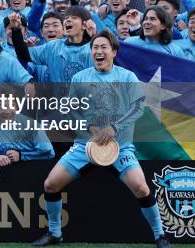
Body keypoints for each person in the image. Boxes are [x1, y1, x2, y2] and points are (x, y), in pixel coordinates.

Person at [33, 30, 170, 248]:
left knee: (141, 188)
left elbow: (138, 108)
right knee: (50, 184)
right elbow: (71, 110)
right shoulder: (79, 78)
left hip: (121, 148)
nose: (98, 51)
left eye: (103, 47)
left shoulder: (127, 77)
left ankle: (160, 235)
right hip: (84, 146)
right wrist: (88, 127)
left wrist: (115, 127)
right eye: (95, 48)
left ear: (113, 52)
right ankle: (55, 233)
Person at [0, 87, 54, 164]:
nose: (7, 111)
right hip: (1, 169)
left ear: (17, 107)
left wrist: (21, 155)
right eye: (2, 106)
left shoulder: (33, 125)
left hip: (28, 168)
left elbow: (49, 152)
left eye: (11, 105)